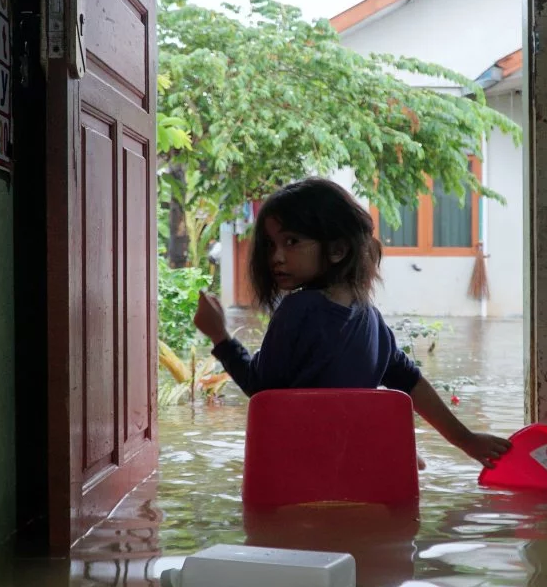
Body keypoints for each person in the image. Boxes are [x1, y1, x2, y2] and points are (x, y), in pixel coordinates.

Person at [192, 177, 511, 469]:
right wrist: (465, 440)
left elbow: (263, 393)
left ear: (338, 249)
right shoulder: (369, 317)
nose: (276, 256)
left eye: (291, 242)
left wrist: (219, 336)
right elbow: (409, 382)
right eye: (270, 245)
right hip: (360, 465)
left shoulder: (298, 310)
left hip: (301, 472)